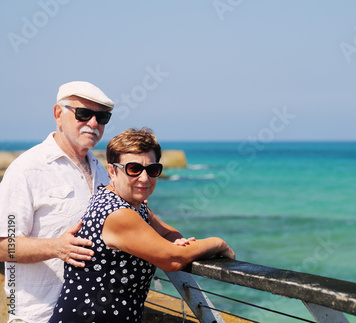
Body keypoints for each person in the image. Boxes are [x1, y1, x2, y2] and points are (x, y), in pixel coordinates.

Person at [49, 128, 235, 322]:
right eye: (134, 169)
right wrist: (218, 243)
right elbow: (173, 261)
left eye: (152, 170)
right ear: (112, 171)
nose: (144, 178)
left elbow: (168, 233)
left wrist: (176, 243)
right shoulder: (117, 214)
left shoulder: (132, 206)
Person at [0, 81, 115, 323]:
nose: (93, 123)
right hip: (37, 316)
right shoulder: (27, 169)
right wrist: (56, 248)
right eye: (83, 114)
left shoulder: (101, 171)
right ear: (58, 114)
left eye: (102, 117)